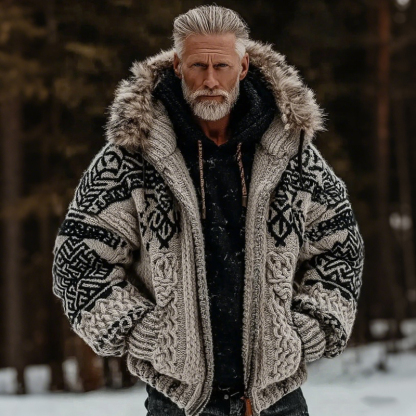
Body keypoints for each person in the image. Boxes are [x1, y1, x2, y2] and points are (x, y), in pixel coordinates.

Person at [52, 5, 365, 416]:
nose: (211, 80)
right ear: (178, 66)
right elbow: (77, 258)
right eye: (198, 65)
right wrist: (142, 332)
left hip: (276, 399)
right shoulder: (132, 155)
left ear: (243, 66)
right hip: (178, 402)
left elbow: (342, 247)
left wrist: (311, 329)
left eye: (222, 66)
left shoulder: (293, 152)